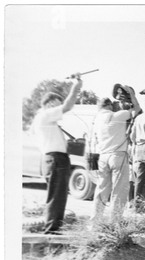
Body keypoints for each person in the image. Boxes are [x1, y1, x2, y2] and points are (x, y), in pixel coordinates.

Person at [32, 73, 83, 234]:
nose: (59, 108)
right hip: (56, 159)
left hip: (51, 158)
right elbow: (67, 106)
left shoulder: (41, 120)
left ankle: (52, 227)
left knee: (57, 194)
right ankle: (52, 230)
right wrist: (76, 86)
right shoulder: (46, 115)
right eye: (57, 104)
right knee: (57, 195)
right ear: (51, 102)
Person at [91, 91, 141, 222]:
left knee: (101, 190)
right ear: (110, 106)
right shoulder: (117, 116)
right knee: (119, 191)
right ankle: (115, 222)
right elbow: (137, 109)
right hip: (117, 155)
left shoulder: (96, 120)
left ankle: (95, 222)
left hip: (103, 156)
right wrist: (131, 94)